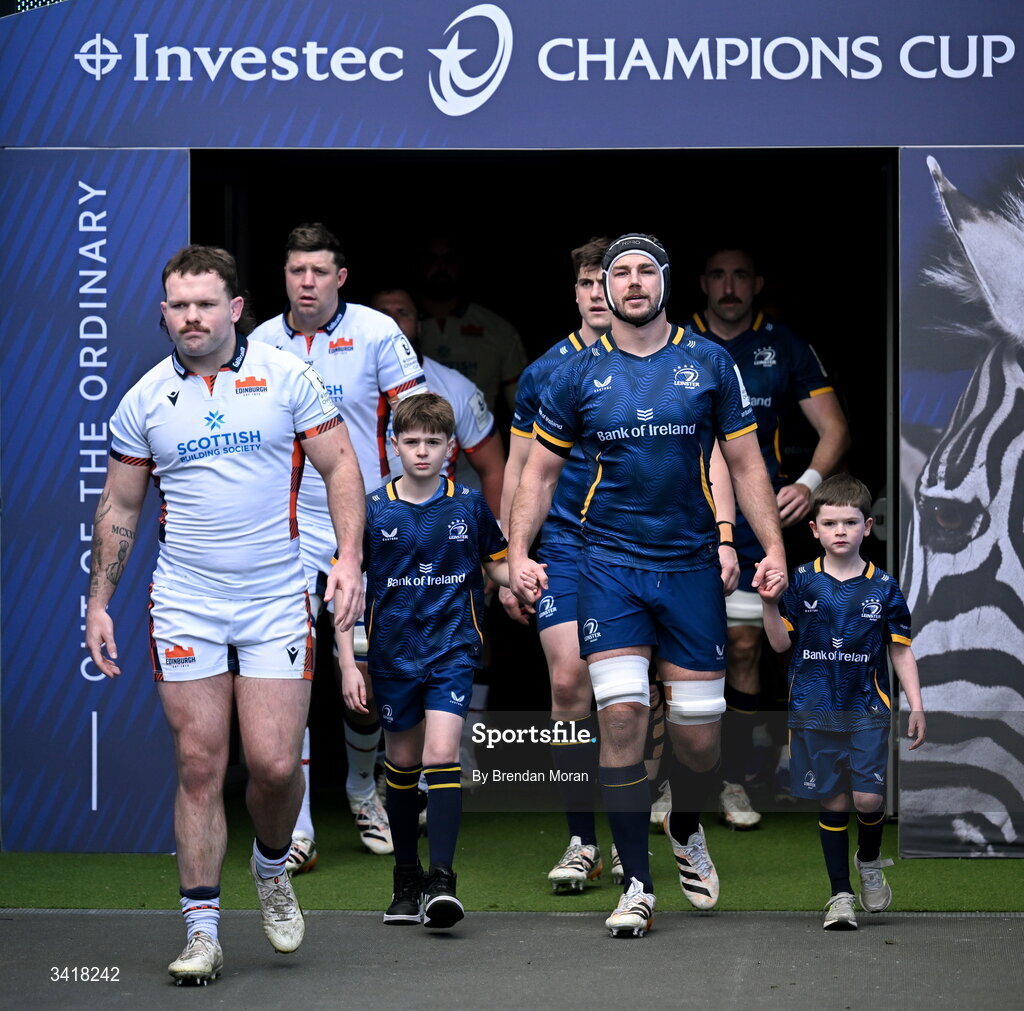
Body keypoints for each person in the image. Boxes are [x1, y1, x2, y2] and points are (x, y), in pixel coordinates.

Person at [84, 246, 365, 984]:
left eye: (205, 303)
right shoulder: (144, 398)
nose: (192, 317)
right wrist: (99, 602)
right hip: (187, 599)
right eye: (178, 305)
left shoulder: (285, 376)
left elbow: (342, 467)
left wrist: (348, 559)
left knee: (273, 765)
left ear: (235, 309)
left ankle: (271, 866)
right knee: (201, 761)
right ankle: (201, 929)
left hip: (275, 596)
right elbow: (119, 507)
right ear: (163, 313)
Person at [508, 233, 785, 936]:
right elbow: (537, 474)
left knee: (698, 741)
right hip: (608, 567)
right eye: (617, 273)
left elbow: (746, 464)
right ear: (602, 287)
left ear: (665, 283)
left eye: (643, 272)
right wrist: (515, 550)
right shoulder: (574, 375)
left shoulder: (709, 362)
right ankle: (636, 882)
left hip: (691, 568)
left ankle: (685, 822)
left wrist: (766, 547)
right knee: (623, 716)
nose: (630, 283)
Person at [250, 224, 428, 868]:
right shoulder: (260, 341)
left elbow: (421, 422)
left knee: (374, 674)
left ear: (339, 278)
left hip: (370, 524)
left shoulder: (379, 332)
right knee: (284, 672)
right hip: (288, 527)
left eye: (318, 271)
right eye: (296, 270)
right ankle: (296, 828)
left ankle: (360, 787)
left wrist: (420, 512)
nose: (306, 283)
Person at [339, 393, 511, 928]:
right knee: (404, 767)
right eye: (410, 441)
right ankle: (406, 880)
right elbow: (344, 591)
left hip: (453, 650)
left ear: (450, 448)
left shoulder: (469, 504)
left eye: (432, 442)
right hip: (392, 659)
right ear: (393, 446)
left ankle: (442, 879)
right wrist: (348, 664)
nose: (420, 451)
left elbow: (499, 566)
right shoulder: (372, 508)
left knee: (442, 757)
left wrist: (524, 578)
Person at [692, 247, 851, 829]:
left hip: (761, 524)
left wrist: (809, 484)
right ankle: (675, 783)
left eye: (740, 275)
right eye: (717, 274)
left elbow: (834, 428)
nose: (728, 286)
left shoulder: (783, 344)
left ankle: (736, 778)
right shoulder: (677, 342)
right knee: (670, 655)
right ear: (701, 283)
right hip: (685, 522)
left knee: (746, 646)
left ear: (757, 283)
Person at [758, 474, 925, 929]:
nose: (840, 531)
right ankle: (840, 896)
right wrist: (770, 605)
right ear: (814, 529)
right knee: (832, 803)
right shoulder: (801, 581)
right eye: (830, 523)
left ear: (867, 527)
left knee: (869, 800)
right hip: (813, 711)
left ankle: (868, 860)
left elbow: (900, 649)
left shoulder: (884, 586)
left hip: (867, 709)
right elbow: (777, 646)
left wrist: (917, 704)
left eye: (850, 522)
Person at [371, 286, 506, 783]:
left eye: (402, 312)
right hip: (378, 540)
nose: (392, 322)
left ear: (419, 323)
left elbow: (493, 467)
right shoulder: (341, 384)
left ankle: (460, 751)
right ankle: (376, 779)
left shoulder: (453, 386)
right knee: (376, 657)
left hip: (452, 539)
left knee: (466, 637)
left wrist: (493, 552)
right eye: (381, 314)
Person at [416, 234, 529, 417]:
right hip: (411, 440)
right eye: (431, 258)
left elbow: (522, 410)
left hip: (481, 439)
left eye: (450, 258)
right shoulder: (395, 329)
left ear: (462, 263)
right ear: (418, 263)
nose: (441, 266)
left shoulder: (498, 330)